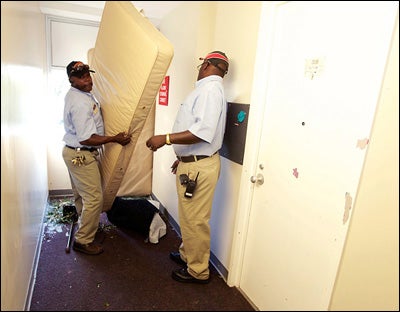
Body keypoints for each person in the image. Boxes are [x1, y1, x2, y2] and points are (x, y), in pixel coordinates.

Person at [145, 51, 229, 283]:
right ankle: (187, 255)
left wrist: (166, 138)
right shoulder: (207, 90)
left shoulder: (210, 91)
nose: (200, 66)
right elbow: (200, 131)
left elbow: (201, 133)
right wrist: (182, 157)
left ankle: (198, 271)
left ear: (207, 65)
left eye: (202, 63)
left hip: (199, 168)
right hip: (194, 163)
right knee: (190, 216)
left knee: (195, 220)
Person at [62, 61, 132, 255]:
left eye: (88, 75)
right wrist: (114, 139)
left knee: (81, 195)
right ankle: (83, 240)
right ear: (71, 80)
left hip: (74, 152)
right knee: (94, 198)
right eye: (81, 77)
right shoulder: (79, 102)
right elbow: (86, 137)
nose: (87, 79)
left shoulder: (81, 94)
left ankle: (85, 224)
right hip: (81, 155)